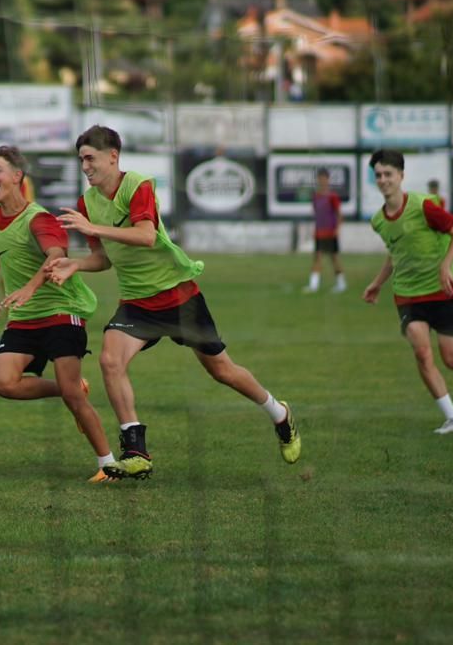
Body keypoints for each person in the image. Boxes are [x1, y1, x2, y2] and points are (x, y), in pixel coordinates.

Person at [47, 126, 300, 479]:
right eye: (80, 160)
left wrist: (95, 230)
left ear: (113, 156)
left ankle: (279, 413)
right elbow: (104, 258)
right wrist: (76, 263)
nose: (85, 167)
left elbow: (146, 236)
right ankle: (135, 450)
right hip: (136, 301)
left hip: (178, 296)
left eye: (90, 158)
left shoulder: (138, 186)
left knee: (222, 371)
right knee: (109, 359)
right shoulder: (86, 203)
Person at [0, 146, 117, 483]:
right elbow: (1, 249)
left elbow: (56, 255)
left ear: (17, 177)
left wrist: (29, 287)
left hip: (61, 310)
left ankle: (109, 465)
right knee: (4, 383)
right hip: (25, 318)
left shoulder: (39, 219)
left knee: (72, 396)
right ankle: (71, 386)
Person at [364, 148, 453, 435]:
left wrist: (446, 266)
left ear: (401, 176)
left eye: (388, 174)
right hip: (407, 296)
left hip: (440, 291)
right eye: (378, 175)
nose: (383, 180)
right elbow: (395, 253)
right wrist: (377, 283)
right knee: (422, 353)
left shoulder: (423, 207)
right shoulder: (378, 221)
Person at [305, 168, 346, 294]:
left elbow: (339, 214)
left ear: (328, 180)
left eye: (324, 178)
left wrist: (338, 228)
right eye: (320, 179)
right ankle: (313, 285)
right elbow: (316, 214)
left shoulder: (332, 196)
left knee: (334, 258)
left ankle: (341, 283)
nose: (322, 181)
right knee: (317, 257)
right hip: (319, 232)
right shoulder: (316, 196)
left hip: (330, 232)